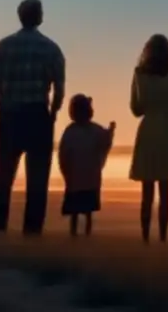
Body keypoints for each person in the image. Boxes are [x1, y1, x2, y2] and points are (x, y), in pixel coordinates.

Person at [0, 0, 66, 235]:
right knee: (37, 179)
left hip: (9, 113)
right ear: (39, 16)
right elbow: (59, 87)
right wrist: (52, 113)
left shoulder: (2, 46)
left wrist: (2, 92)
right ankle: (32, 232)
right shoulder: (50, 48)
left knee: (2, 174)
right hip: (37, 114)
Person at [129, 34, 168, 243]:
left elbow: (136, 109)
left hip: (148, 132)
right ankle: (162, 238)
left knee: (146, 193)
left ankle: (145, 238)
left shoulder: (139, 74)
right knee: (165, 192)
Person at [58, 94, 115, 237]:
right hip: (84, 178)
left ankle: (77, 233)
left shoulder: (72, 131)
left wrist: (110, 132)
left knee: (78, 211)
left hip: (78, 178)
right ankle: (81, 233)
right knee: (84, 211)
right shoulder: (90, 130)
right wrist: (110, 132)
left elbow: (63, 154)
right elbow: (105, 141)